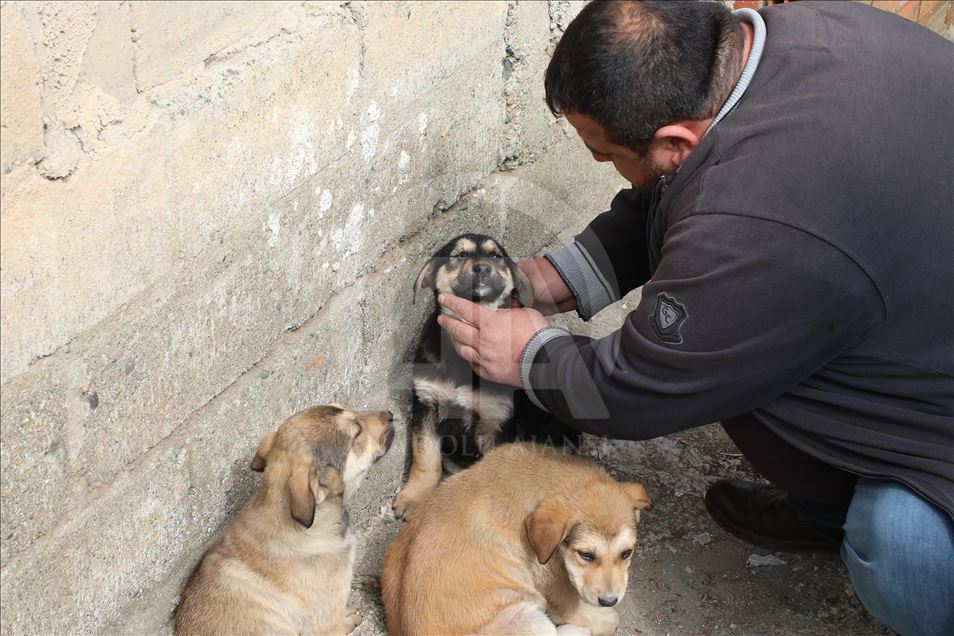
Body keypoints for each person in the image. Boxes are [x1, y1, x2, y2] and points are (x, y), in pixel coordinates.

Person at [435, 2, 954, 634]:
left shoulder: (768, 213)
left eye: (612, 158)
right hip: (924, 330)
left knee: (900, 549)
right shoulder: (780, 41)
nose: (615, 171)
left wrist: (531, 356)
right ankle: (829, 501)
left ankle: (857, 521)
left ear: (676, 139)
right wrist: (554, 277)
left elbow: (643, 387)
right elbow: (681, 193)